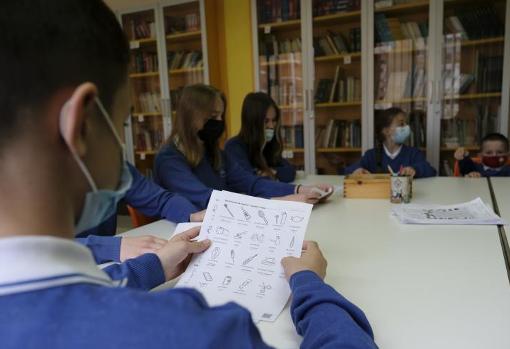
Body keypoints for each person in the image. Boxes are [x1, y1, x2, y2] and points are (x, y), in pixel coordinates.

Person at [0, 2, 378, 348]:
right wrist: (310, 285)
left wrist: (156, 265)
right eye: (122, 123)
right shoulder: (189, 330)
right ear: (81, 126)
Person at [154, 84, 333, 210]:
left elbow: (250, 182)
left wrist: (300, 190)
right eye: (213, 116)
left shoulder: (216, 154)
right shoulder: (169, 159)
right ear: (191, 117)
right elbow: (206, 199)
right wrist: (280, 201)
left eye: (221, 116)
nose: (219, 123)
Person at [76, 161, 205, 263]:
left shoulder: (114, 167)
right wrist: (112, 247)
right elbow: (56, 247)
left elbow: (159, 199)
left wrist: (190, 215)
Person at [345, 107, 437, 178]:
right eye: (401, 124)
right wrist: (357, 170)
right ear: (386, 131)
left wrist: (415, 170)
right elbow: (347, 170)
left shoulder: (413, 153)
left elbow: (431, 171)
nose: (407, 127)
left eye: (406, 123)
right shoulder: (371, 155)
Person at [225, 92, 295, 182]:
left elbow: (290, 172)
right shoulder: (234, 147)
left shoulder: (268, 144)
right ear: (252, 122)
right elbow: (250, 181)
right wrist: (270, 173)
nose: (271, 126)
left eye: (274, 120)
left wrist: (270, 172)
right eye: (266, 121)